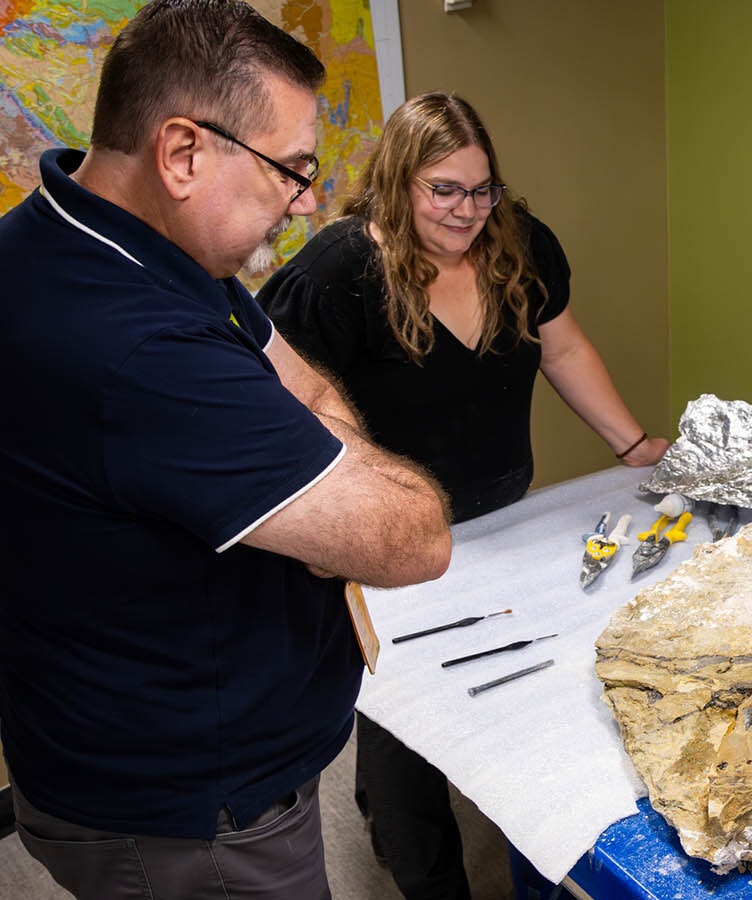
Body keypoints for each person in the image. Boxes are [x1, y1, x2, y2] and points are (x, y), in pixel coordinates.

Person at [0, 3, 453, 899]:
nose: (311, 200)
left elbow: (306, 386)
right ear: (182, 152)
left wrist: (311, 445)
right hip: (190, 819)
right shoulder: (138, 350)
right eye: (291, 169)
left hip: (96, 739)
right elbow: (414, 537)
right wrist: (333, 464)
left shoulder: (95, 241)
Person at [257, 91, 669, 900]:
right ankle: (425, 875)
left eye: (481, 189)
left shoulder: (519, 240)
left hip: (505, 512)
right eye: (443, 190)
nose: (468, 210)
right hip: (390, 538)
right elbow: (280, 404)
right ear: (398, 184)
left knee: (501, 690)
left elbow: (565, 346)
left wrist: (631, 444)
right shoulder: (341, 271)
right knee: (403, 720)